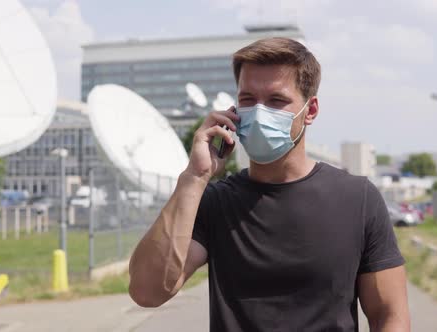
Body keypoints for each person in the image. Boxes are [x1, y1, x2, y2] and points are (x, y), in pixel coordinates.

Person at [129, 37, 410, 331]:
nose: (260, 113)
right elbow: (148, 291)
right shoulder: (214, 202)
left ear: (310, 110)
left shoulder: (358, 199)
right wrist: (194, 177)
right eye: (248, 99)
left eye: (276, 100)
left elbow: (390, 314)